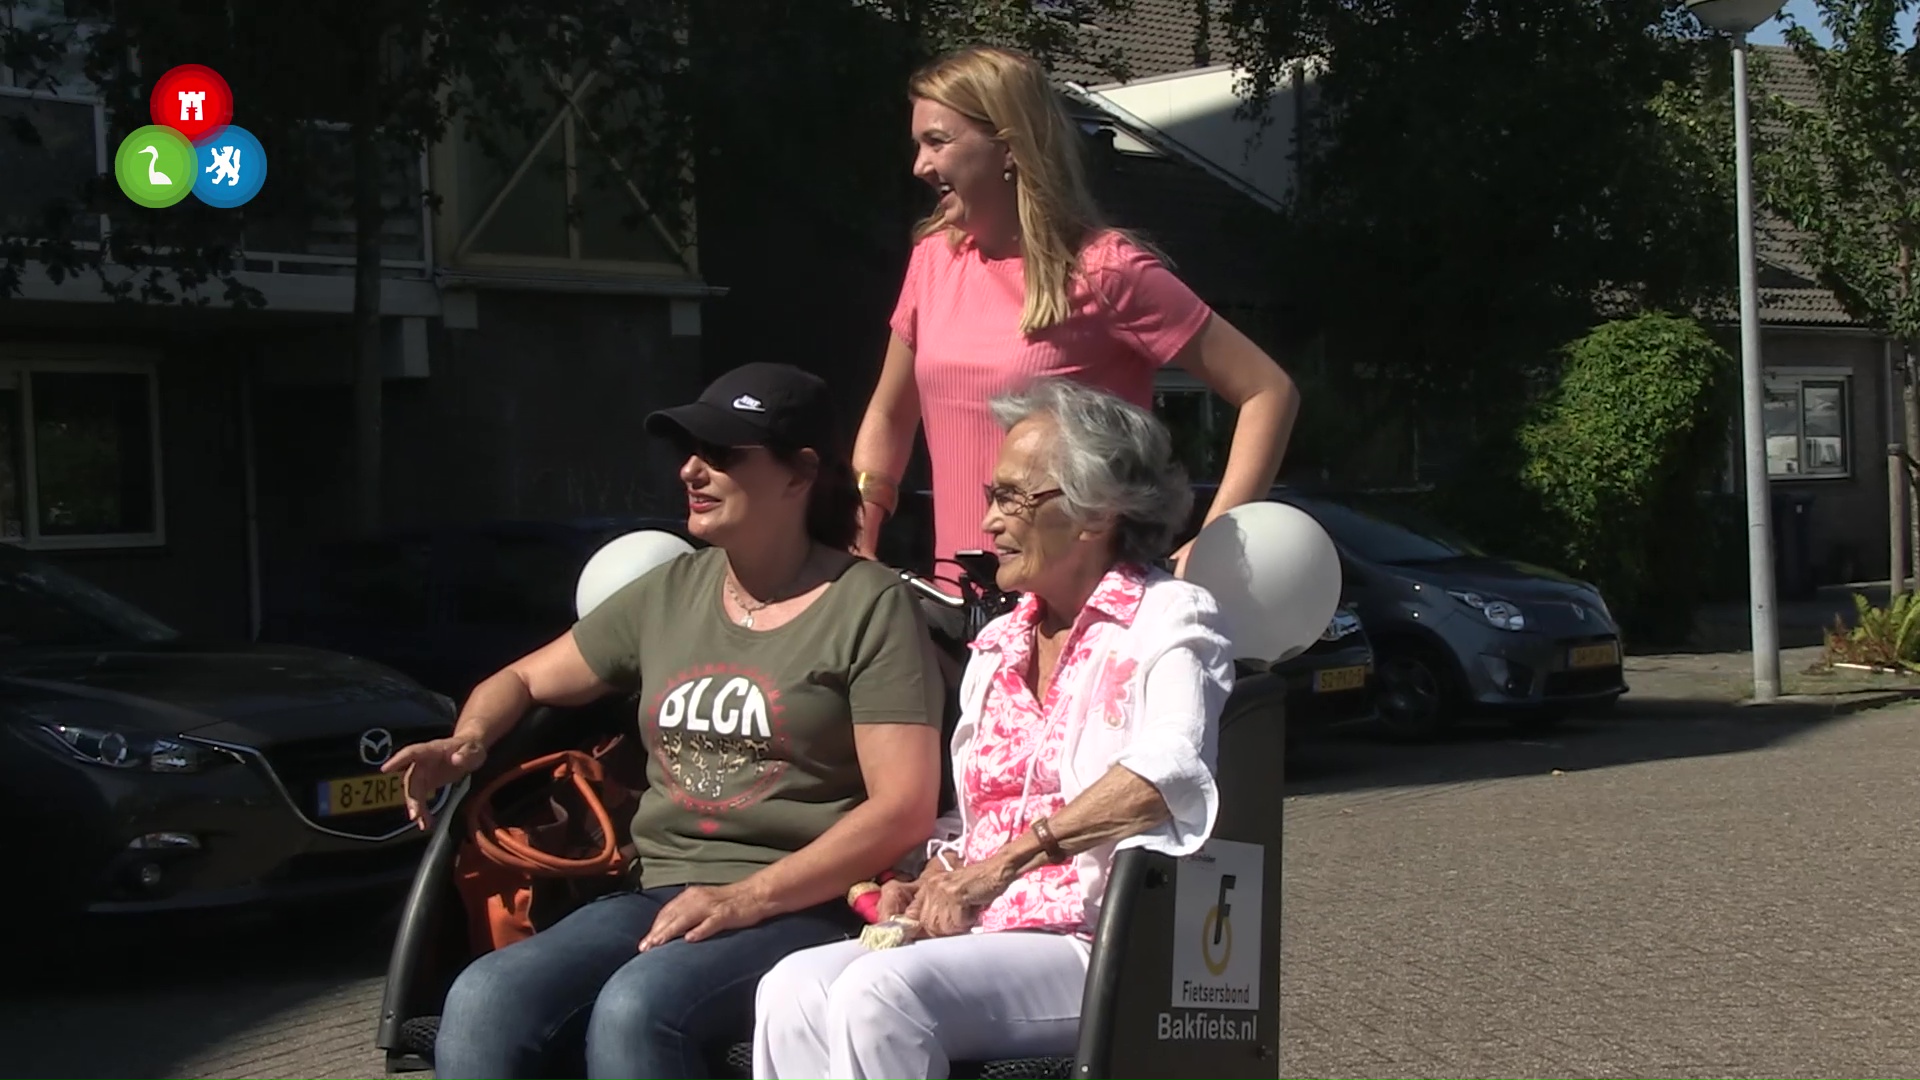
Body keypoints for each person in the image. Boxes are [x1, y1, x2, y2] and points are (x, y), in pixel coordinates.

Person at [385, 362, 947, 1080]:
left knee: (637, 1008)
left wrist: (748, 897)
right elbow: (522, 677)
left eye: (720, 455)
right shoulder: (670, 592)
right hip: (661, 892)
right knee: (485, 996)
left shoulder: (868, 606)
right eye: (688, 453)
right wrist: (468, 740)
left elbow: (902, 810)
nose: (691, 471)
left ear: (800, 473)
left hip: (807, 902)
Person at [752, 378, 1235, 1080]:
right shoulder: (1001, 643)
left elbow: (1167, 773)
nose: (989, 523)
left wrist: (997, 868)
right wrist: (928, 874)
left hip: (1100, 939)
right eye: (992, 497)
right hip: (989, 928)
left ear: (1095, 514)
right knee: (792, 988)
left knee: (878, 993)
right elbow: (983, 818)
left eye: (1012, 498)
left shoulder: (1170, 618)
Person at [850, 44, 1300, 578]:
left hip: (1083, 615)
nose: (920, 165)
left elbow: (1268, 391)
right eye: (918, 145)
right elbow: (889, 415)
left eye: (938, 142)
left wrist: (1213, 541)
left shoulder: (1105, 269)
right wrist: (861, 529)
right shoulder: (934, 262)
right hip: (960, 607)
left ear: (1009, 146)